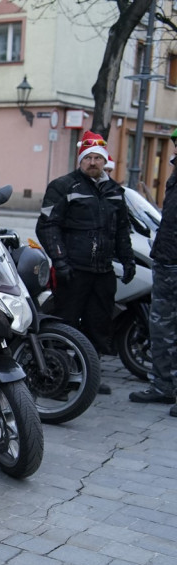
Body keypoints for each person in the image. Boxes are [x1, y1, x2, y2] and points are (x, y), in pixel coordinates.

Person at [36, 130, 135, 396]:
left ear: (105, 162)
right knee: (64, 323)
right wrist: (61, 260)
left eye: (98, 158)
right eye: (88, 157)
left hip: (103, 271)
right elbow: (47, 226)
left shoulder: (115, 191)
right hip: (73, 270)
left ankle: (90, 375)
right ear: (81, 159)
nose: (93, 162)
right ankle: (57, 378)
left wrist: (127, 260)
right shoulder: (63, 186)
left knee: (99, 325)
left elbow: (122, 230)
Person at [130, 127, 177, 413]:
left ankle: (164, 386)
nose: (173, 152)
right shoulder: (174, 178)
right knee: (161, 328)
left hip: (172, 262)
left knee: (165, 326)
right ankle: (163, 386)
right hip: (167, 260)